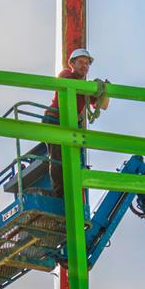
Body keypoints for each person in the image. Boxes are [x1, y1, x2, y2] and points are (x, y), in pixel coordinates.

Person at [43, 49, 109, 197]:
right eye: (80, 62)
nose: (84, 66)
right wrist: (95, 89)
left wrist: (106, 91)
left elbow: (103, 105)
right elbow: (71, 85)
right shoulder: (66, 74)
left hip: (69, 124)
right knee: (58, 157)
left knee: (72, 160)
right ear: (71, 63)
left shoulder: (86, 88)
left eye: (87, 63)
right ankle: (59, 193)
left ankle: (70, 192)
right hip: (54, 119)